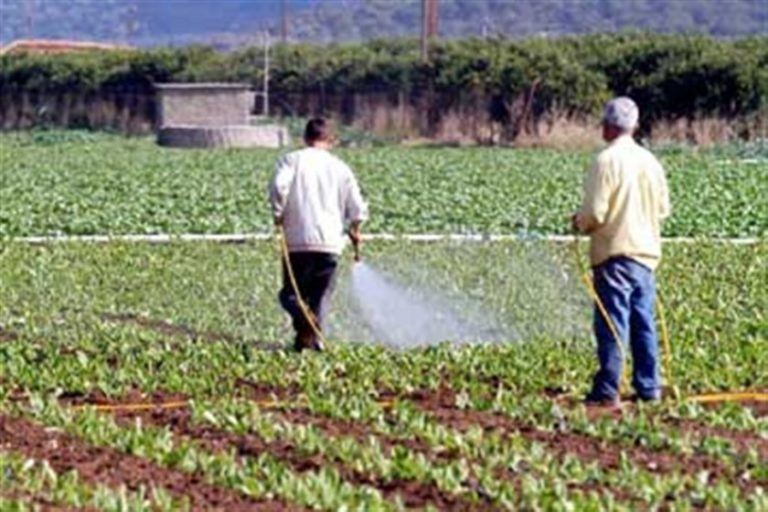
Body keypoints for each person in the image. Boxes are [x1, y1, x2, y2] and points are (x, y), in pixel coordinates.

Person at [572, 97, 671, 406]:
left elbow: (595, 213)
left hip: (615, 254)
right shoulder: (650, 162)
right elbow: (664, 210)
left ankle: (607, 390)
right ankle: (648, 388)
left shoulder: (606, 161)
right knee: (643, 322)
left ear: (607, 127)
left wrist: (579, 222)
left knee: (612, 324)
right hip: (645, 256)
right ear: (634, 126)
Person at [269, 118, 368, 352]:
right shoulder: (340, 167)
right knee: (320, 297)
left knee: (290, 295)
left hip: (297, 241)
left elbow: (278, 187)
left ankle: (306, 327)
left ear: (305, 138)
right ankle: (313, 339)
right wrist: (355, 227)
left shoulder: (291, 160)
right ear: (330, 140)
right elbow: (357, 207)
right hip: (331, 244)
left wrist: (278, 212)